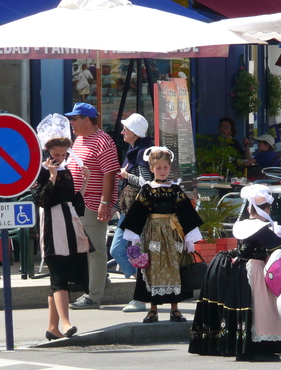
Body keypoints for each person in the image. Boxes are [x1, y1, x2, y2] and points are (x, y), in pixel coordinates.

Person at [189, 184, 281, 362]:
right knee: (261, 310)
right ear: (266, 209)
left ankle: (245, 349)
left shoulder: (244, 225)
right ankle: (258, 349)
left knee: (247, 310)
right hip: (255, 270)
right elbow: (277, 247)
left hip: (241, 270)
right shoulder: (261, 228)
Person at [120, 147, 204, 323]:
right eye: (158, 168)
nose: (162, 171)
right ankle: (153, 309)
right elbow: (137, 214)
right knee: (153, 268)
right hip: (152, 235)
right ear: (151, 169)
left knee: (174, 267)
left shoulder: (175, 190)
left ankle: (175, 309)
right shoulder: (147, 190)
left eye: (165, 167)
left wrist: (190, 238)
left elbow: (186, 212)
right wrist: (135, 239)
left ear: (170, 168)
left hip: (173, 234)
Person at [32, 135, 92, 340]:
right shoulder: (41, 170)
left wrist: (85, 181)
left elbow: (74, 201)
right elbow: (41, 200)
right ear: (47, 151)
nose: (60, 158)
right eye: (56, 154)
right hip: (52, 227)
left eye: (64, 154)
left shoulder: (66, 170)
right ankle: (65, 324)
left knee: (59, 278)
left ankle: (53, 328)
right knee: (58, 276)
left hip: (69, 226)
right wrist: (51, 176)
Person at [65, 103, 120, 309]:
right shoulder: (79, 139)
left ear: (86, 120)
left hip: (93, 203)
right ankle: (99, 280)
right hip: (78, 203)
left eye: (74, 119)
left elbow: (110, 173)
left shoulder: (103, 141)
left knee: (95, 249)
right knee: (84, 248)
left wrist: (105, 203)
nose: (71, 123)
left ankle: (94, 296)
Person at [109, 113, 154, 313]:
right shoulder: (135, 150)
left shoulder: (143, 153)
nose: (122, 132)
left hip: (138, 211)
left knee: (126, 250)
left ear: (134, 133)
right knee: (122, 250)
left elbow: (145, 183)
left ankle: (141, 293)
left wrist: (126, 175)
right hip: (130, 209)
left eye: (125, 129)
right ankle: (144, 289)